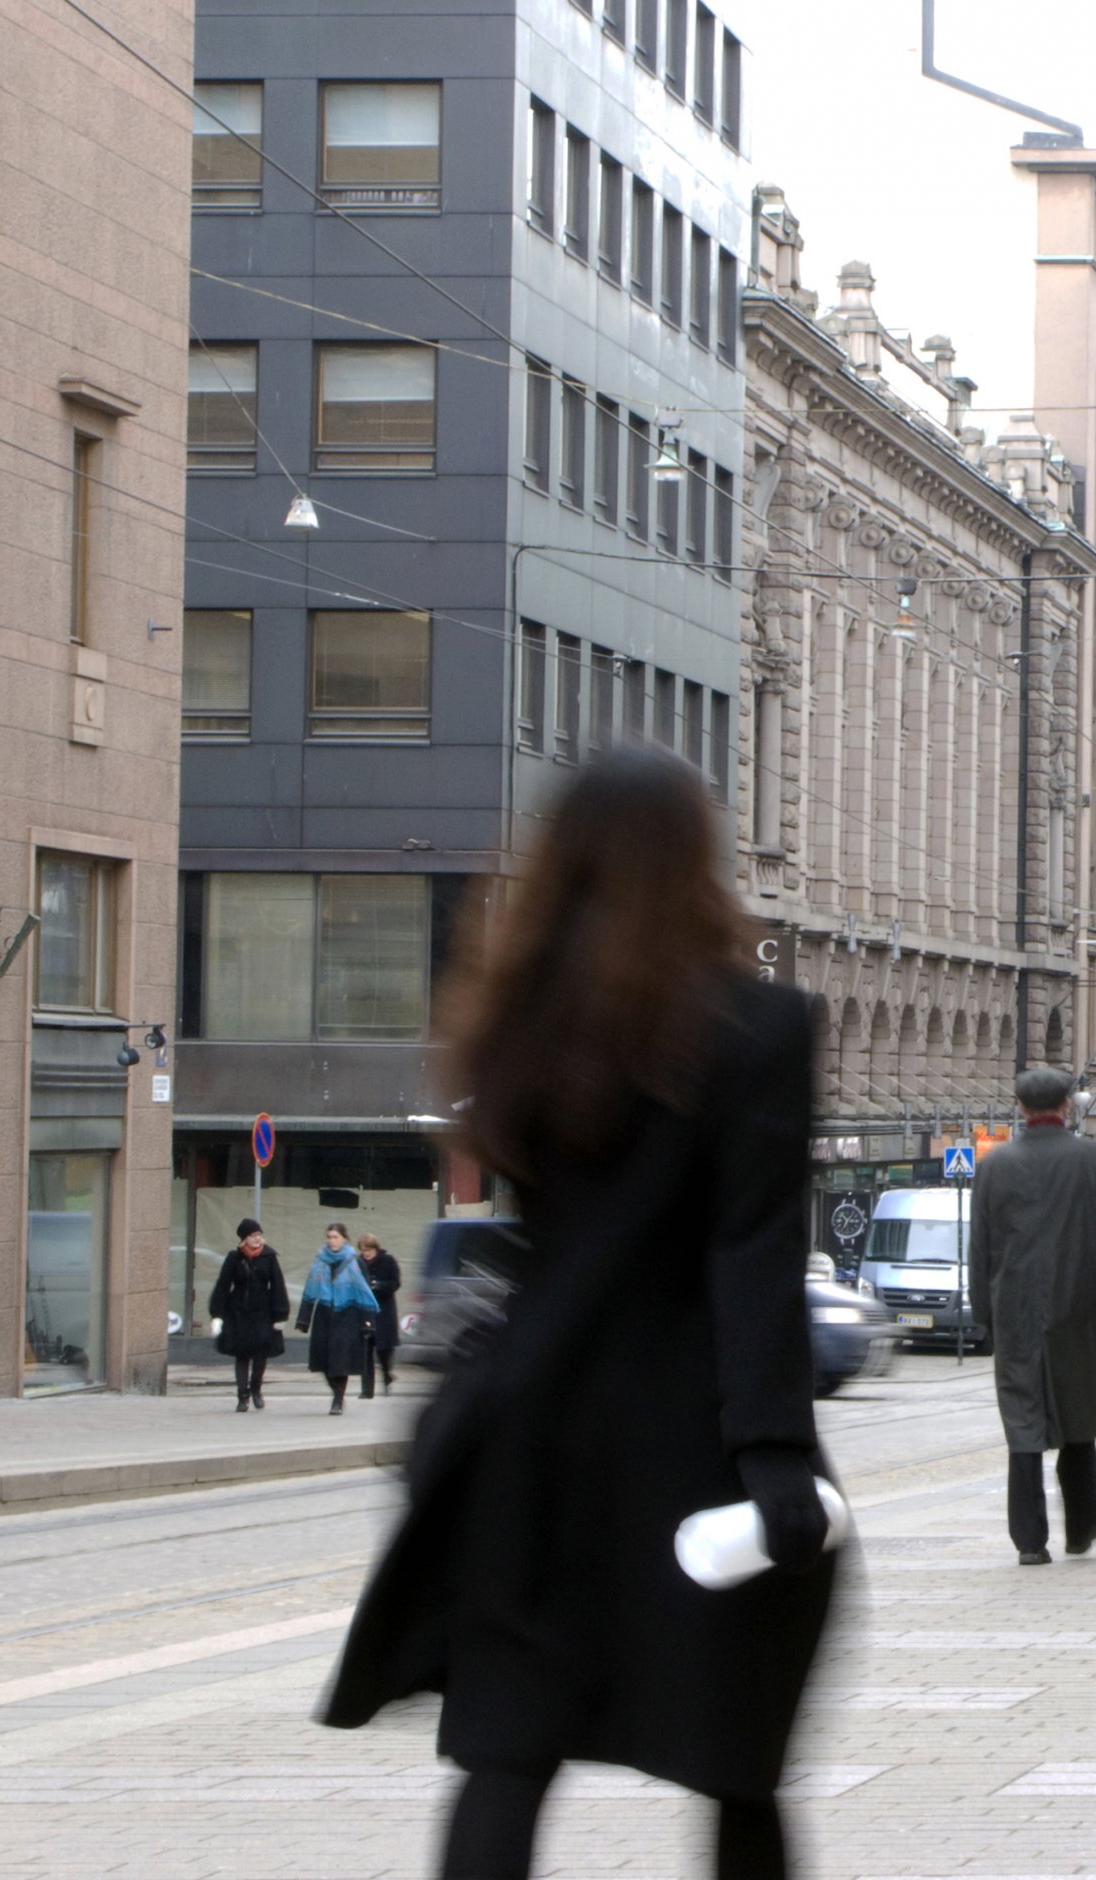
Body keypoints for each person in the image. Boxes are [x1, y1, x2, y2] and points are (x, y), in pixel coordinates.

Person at [321, 750, 836, 1880]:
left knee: (509, 1748)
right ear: (695, 861)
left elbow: (532, 1233)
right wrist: (774, 1453)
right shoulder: (761, 1027)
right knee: (737, 1753)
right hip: (691, 1436)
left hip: (533, 1431)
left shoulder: (515, 1019)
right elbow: (752, 1255)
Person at [968, 1066, 1096, 1565]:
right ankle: (1081, 1528)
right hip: (1079, 1309)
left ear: (1021, 1108)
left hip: (1015, 1313)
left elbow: (980, 1249)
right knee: (1077, 1419)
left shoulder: (994, 1167)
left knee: (1023, 1425)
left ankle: (1029, 1541)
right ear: (1066, 1105)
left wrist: (984, 1316)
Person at [298, 1224, 382, 1416]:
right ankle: (336, 1392)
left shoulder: (355, 1262)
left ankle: (338, 1399)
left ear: (344, 1238)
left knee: (340, 1359)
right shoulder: (320, 1261)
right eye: (329, 1237)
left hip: (347, 1314)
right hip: (324, 1313)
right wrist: (304, 1319)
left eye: (335, 1237)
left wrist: (367, 1322)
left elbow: (364, 1293)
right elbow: (310, 1289)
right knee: (323, 1360)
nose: (332, 1240)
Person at [209, 1220, 287, 1412]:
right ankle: (242, 1396)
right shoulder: (234, 1258)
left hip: (262, 1312)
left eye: (259, 1235)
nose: (257, 1239)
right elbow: (223, 1285)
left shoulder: (269, 1257)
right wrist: (217, 1314)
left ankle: (256, 1389)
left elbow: (278, 1285)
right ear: (244, 1238)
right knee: (242, 1354)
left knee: (260, 1354)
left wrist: (280, 1314)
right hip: (239, 1312)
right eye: (253, 1235)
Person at [357, 1234, 402, 1398]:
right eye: (363, 1250)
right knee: (365, 1351)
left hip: (384, 1312)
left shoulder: (388, 1261)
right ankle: (367, 1390)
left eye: (369, 1249)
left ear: (375, 1248)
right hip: (365, 1312)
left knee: (384, 1351)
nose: (366, 1253)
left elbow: (395, 1283)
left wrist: (379, 1285)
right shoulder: (357, 1263)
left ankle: (387, 1375)